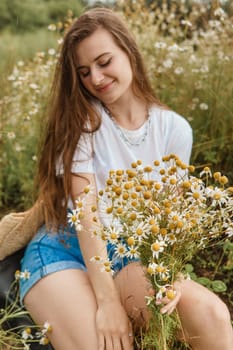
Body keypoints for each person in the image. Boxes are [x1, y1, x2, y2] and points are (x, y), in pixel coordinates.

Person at [19, 7, 233, 350]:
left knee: (212, 315)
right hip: (65, 247)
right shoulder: (81, 122)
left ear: (129, 52)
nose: (96, 78)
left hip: (128, 252)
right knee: (107, 345)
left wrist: (170, 272)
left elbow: (170, 218)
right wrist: (108, 303)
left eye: (105, 62)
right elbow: (86, 218)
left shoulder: (174, 129)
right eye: (84, 72)